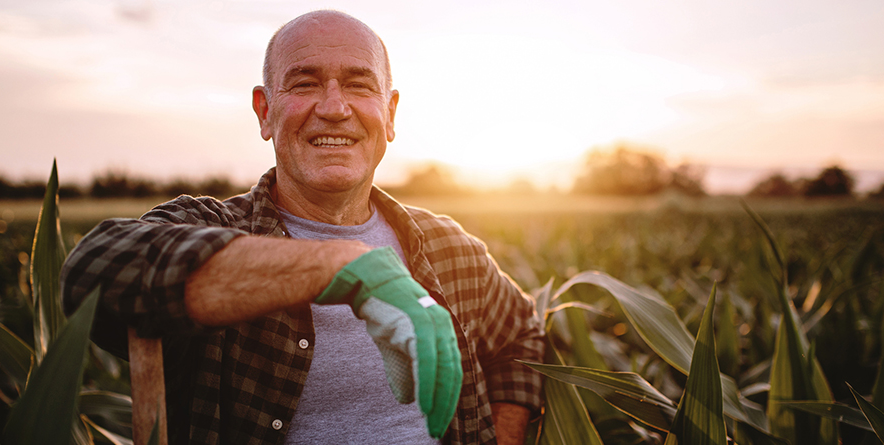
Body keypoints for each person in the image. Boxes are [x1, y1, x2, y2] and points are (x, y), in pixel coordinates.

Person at [61, 10, 544, 445]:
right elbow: (91, 273)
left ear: (390, 112)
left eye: (358, 84)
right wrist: (342, 265)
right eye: (305, 83)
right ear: (265, 111)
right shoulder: (215, 228)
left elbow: (520, 335)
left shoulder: (448, 248)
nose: (334, 107)